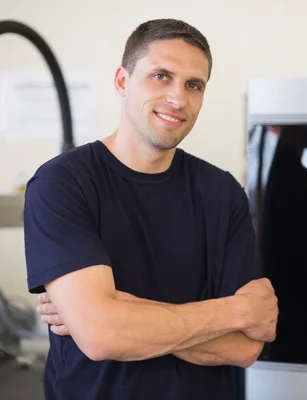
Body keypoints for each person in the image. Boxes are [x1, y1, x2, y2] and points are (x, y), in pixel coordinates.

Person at [23, 18, 278, 400]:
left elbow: (245, 347)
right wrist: (237, 312)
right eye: (161, 76)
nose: (179, 98)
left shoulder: (221, 192)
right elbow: (101, 336)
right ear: (122, 81)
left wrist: (123, 312)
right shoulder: (62, 184)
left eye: (194, 85)